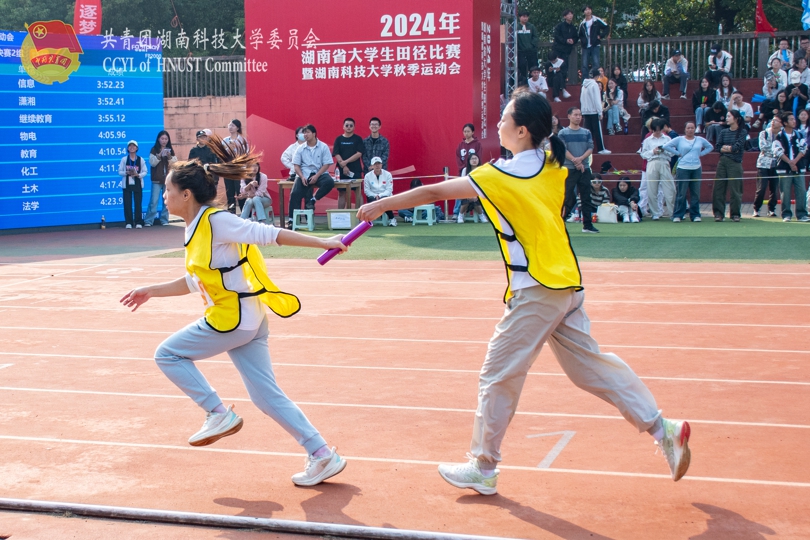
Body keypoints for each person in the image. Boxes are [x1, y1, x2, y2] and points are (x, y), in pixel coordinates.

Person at [356, 89, 691, 496]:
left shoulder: (498, 175)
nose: (497, 124)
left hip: (537, 289)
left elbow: (434, 193)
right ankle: (662, 428)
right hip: (566, 283)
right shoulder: (553, 166)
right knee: (590, 368)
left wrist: (382, 203)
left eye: (504, 118)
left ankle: (483, 465)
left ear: (520, 130)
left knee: (497, 374)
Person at [119, 135, 349, 488]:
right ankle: (321, 454)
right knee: (265, 394)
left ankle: (217, 412)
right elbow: (197, 281)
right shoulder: (194, 228)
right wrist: (152, 290)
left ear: (186, 195)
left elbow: (269, 234)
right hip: (249, 320)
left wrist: (324, 241)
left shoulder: (216, 221)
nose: (163, 195)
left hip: (233, 319)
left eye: (167, 189)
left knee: (168, 354)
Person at [663, 122, 713, 222]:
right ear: (685, 129)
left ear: (695, 129)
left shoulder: (700, 139)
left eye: (692, 128)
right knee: (681, 193)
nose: (690, 130)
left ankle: (695, 215)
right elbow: (666, 146)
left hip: (696, 168)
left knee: (695, 193)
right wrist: (677, 153)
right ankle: (678, 214)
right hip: (683, 168)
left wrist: (701, 154)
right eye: (688, 128)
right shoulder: (679, 139)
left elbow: (710, 147)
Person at [559, 107, 598, 232]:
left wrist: (580, 159)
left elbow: (590, 148)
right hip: (569, 169)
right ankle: (560, 223)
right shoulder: (563, 133)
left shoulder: (586, 132)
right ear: (569, 116)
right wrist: (576, 161)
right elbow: (563, 150)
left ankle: (587, 225)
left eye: (580, 115)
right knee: (567, 196)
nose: (578, 117)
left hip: (584, 168)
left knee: (586, 197)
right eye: (575, 115)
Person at [289, 124, 335, 225]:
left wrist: (317, 176)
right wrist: (301, 176)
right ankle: (292, 220)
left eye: (308, 132)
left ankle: (313, 200)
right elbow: (296, 165)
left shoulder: (323, 146)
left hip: (319, 173)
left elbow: (326, 164)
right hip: (304, 174)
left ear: (314, 134)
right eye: (304, 132)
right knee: (294, 194)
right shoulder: (300, 148)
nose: (305, 134)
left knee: (329, 182)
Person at [712, 110, 748, 222]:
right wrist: (730, 149)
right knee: (718, 188)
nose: (726, 118)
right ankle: (718, 213)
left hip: (735, 163)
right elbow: (718, 147)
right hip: (722, 161)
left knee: (735, 189)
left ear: (736, 118)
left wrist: (727, 148)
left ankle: (735, 214)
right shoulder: (723, 132)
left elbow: (737, 147)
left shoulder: (742, 132)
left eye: (729, 116)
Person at [774, 112, 809, 222]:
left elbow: (803, 149)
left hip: (799, 167)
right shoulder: (779, 136)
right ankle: (786, 214)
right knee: (785, 191)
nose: (794, 121)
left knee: (801, 191)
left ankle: (801, 214)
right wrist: (790, 162)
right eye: (791, 119)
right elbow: (778, 151)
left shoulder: (799, 134)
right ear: (785, 122)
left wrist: (794, 162)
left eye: (794, 119)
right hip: (784, 168)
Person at [640, 118, 676, 220]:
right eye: (655, 130)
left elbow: (673, 152)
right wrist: (653, 151)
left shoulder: (667, 139)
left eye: (659, 130)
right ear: (651, 129)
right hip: (652, 163)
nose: (657, 132)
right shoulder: (647, 140)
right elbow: (643, 154)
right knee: (652, 189)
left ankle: (672, 213)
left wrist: (664, 150)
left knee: (670, 189)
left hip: (664, 162)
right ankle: (655, 213)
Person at [145, 130, 176, 226]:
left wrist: (169, 156)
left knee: (166, 201)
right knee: (153, 201)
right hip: (156, 180)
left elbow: (175, 164)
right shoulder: (154, 149)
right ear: (158, 139)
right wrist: (158, 156)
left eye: (166, 139)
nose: (164, 141)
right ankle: (149, 220)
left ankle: (164, 220)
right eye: (162, 138)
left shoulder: (170, 150)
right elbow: (152, 163)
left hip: (167, 180)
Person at [753, 115, 783, 218]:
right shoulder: (764, 133)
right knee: (761, 188)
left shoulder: (782, 135)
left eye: (776, 121)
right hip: (763, 164)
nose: (773, 122)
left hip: (777, 164)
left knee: (774, 189)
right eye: (773, 120)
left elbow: (783, 149)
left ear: (781, 123)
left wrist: (778, 151)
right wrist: (777, 151)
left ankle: (771, 209)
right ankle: (756, 209)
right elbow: (763, 147)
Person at [333, 117, 365, 208]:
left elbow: (359, 153)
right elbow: (336, 153)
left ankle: (360, 216)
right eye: (347, 125)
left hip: (355, 170)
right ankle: (341, 216)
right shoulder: (338, 139)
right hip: (341, 171)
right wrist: (343, 166)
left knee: (357, 192)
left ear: (354, 127)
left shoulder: (358, 139)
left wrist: (345, 162)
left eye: (351, 126)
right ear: (343, 127)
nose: (349, 127)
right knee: (342, 193)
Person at [119, 140, 148, 229]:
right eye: (130, 146)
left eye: (134, 146)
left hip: (137, 183)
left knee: (138, 203)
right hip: (127, 184)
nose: (132, 147)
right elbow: (119, 172)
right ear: (128, 148)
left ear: (137, 148)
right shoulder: (124, 159)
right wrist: (126, 172)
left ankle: (138, 222)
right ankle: (129, 222)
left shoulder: (140, 159)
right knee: (127, 203)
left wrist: (138, 175)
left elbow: (145, 171)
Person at [222, 119, 247, 214]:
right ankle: (231, 211)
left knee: (239, 190)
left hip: (238, 170)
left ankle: (243, 212)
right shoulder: (225, 140)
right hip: (228, 170)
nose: (230, 127)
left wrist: (235, 149)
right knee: (229, 191)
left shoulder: (242, 140)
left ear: (237, 127)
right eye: (229, 125)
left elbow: (245, 154)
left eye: (232, 125)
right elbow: (221, 154)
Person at [363, 156, 396, 226]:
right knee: (371, 199)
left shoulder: (388, 174)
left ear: (381, 164)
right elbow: (367, 190)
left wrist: (380, 196)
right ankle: (369, 220)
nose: (377, 165)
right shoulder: (367, 176)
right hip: (373, 196)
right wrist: (375, 196)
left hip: (385, 196)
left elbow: (389, 189)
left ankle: (392, 219)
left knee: (384, 200)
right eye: (375, 164)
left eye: (379, 163)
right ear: (372, 166)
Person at [581, 78, 610, 154]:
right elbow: (597, 100)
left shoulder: (583, 86)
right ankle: (600, 149)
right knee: (597, 131)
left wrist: (583, 110)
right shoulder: (594, 85)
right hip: (594, 111)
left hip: (586, 111)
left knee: (587, 131)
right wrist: (600, 112)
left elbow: (581, 99)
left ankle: (586, 149)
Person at [578, 5, 608, 79]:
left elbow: (606, 27)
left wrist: (601, 36)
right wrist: (583, 40)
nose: (587, 11)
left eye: (589, 9)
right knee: (585, 65)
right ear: (583, 12)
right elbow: (579, 34)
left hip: (595, 44)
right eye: (586, 10)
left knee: (596, 63)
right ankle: (585, 81)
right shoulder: (582, 23)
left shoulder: (596, 20)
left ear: (591, 10)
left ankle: (596, 79)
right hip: (585, 46)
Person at [551, 9, 577, 96]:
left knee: (564, 70)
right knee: (556, 69)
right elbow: (556, 36)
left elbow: (576, 37)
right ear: (565, 16)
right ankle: (557, 90)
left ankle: (563, 88)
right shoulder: (560, 26)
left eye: (571, 14)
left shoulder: (573, 27)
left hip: (566, 51)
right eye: (568, 14)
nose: (570, 16)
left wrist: (573, 40)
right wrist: (565, 40)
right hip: (558, 50)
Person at [457, 153, 487, 223]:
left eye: (475, 158)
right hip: (467, 191)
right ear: (469, 161)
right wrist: (469, 194)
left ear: (478, 160)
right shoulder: (465, 170)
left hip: (478, 192)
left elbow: (482, 184)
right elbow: (462, 183)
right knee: (466, 199)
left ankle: (481, 216)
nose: (474, 160)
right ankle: (460, 216)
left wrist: (476, 194)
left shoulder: (481, 170)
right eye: (472, 159)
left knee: (476, 200)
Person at [516, 10, 539, 83]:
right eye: (523, 17)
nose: (525, 18)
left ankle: (533, 81)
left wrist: (531, 45)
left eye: (526, 17)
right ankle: (523, 82)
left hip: (531, 51)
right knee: (522, 66)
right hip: (520, 51)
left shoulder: (531, 26)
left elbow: (535, 37)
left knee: (533, 66)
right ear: (520, 17)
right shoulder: (516, 26)